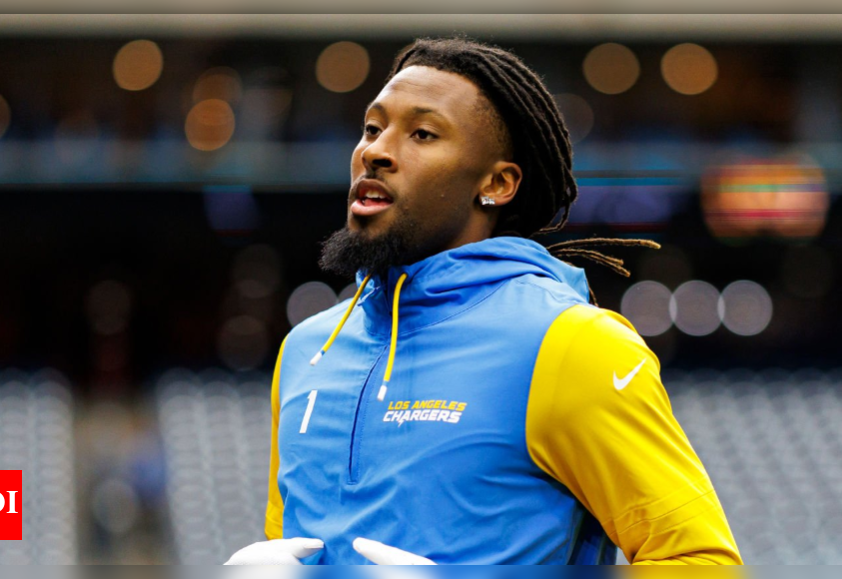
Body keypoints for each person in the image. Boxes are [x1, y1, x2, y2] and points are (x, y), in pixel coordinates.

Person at [225, 37, 742, 565]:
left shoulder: (572, 344)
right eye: (373, 128)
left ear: (496, 183)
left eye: (422, 134)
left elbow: (705, 565)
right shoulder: (306, 349)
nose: (374, 152)